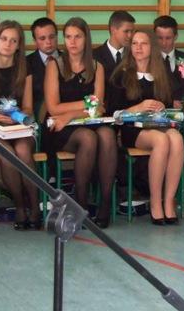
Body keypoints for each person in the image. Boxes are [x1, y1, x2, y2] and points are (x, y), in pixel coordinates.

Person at [44, 17, 117, 228]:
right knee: (88, 138)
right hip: (61, 128)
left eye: (77, 37)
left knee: (107, 135)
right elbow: (53, 107)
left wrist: (71, 113)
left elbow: (99, 107)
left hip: (86, 121)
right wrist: (85, 106)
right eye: (68, 37)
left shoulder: (97, 66)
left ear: (86, 39)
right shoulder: (54, 65)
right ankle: (81, 205)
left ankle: (105, 204)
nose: (72, 42)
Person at [108, 30, 184, 225]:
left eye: (144, 43)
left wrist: (162, 106)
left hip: (157, 124)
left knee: (176, 138)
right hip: (132, 129)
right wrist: (137, 108)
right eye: (135, 43)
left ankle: (168, 200)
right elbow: (113, 115)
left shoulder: (162, 74)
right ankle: (155, 202)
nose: (139, 48)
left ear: (152, 47)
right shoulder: (121, 75)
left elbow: (169, 104)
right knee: (161, 140)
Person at [0, 20, 40, 230]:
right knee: (8, 154)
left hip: (18, 125)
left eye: (13, 41)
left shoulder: (25, 67)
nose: (8, 44)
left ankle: (35, 207)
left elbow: (29, 108)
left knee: (23, 150)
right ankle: (20, 206)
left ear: (18, 45)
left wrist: (18, 116)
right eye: (4, 39)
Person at [153, 15, 184, 109]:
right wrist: (169, 103)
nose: (164, 43)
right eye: (160, 38)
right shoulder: (149, 61)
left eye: (168, 38)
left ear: (175, 36)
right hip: (157, 111)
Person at [26, 17, 59, 116]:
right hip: (38, 117)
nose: (48, 42)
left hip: (66, 115)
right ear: (34, 41)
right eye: (42, 38)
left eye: (52, 37)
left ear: (57, 37)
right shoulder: (25, 63)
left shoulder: (69, 61)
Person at [93, 10, 136, 84]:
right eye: (126, 31)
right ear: (113, 30)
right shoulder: (94, 56)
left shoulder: (134, 55)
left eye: (132, 31)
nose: (130, 35)